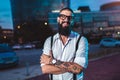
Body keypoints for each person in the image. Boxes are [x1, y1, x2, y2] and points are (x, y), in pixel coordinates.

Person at [40, 7, 88, 80]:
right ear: (58, 19)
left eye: (70, 18)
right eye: (63, 17)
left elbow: (78, 69)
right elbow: (45, 69)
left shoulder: (81, 40)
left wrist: (52, 61)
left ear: (73, 21)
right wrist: (71, 67)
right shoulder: (49, 41)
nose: (66, 20)